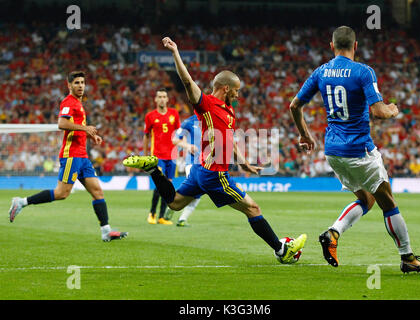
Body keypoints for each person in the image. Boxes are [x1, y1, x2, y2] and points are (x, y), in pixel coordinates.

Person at [123, 37, 307, 264]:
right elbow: (188, 81)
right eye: (236, 91)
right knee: (253, 208)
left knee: (175, 203)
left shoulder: (229, 111)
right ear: (226, 88)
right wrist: (175, 53)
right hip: (214, 174)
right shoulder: (207, 104)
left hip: (201, 170)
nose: (239, 95)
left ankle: (153, 171)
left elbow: (228, 140)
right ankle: (282, 251)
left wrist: (243, 162)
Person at [289, 26, 420, 273]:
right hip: (359, 150)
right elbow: (378, 112)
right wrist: (393, 109)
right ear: (356, 46)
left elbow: (294, 105)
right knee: (388, 202)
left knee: (366, 199)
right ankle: (407, 258)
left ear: (331, 46)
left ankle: (333, 234)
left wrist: (304, 134)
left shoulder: (321, 71)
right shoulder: (363, 72)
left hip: (333, 151)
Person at [8, 71, 128, 242]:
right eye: (77, 83)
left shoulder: (79, 104)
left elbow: (77, 128)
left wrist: (90, 135)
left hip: (83, 156)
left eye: (82, 83)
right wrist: (85, 129)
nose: (80, 86)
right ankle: (21, 202)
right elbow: (62, 123)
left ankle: (106, 231)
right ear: (69, 85)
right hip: (71, 155)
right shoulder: (68, 102)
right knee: (62, 193)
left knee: (97, 192)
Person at [143, 88, 181, 225]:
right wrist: (146, 156)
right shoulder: (150, 116)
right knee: (160, 185)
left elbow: (178, 134)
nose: (162, 99)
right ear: (155, 99)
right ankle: (152, 213)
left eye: (164, 96)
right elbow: (146, 136)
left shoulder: (174, 114)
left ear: (167, 99)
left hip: (171, 156)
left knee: (169, 185)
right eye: (159, 96)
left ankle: (162, 217)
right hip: (157, 156)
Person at [172, 114, 202, 227]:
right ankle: (177, 208)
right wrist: (188, 146)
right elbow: (175, 140)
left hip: (206, 164)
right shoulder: (189, 122)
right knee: (197, 189)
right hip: (192, 163)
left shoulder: (212, 120)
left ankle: (178, 213)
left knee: (197, 192)